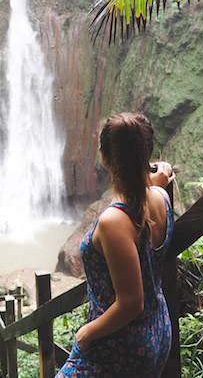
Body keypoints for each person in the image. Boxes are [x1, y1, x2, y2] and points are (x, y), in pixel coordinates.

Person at [56, 112, 175, 377]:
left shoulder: (114, 222)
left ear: (104, 157)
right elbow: (146, 195)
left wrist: (85, 333)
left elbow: (131, 303)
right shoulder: (160, 197)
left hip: (117, 346)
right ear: (147, 156)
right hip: (157, 331)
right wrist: (156, 182)